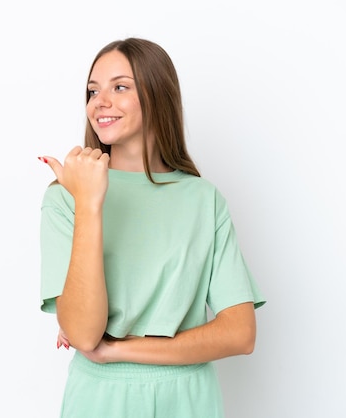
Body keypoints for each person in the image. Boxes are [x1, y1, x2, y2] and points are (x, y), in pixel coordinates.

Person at [37, 37, 265, 418]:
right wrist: (90, 203)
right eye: (93, 91)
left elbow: (240, 333)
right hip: (101, 400)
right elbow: (83, 334)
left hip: (190, 400)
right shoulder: (66, 197)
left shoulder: (203, 199)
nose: (100, 101)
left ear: (158, 95)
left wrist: (118, 350)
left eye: (120, 87)